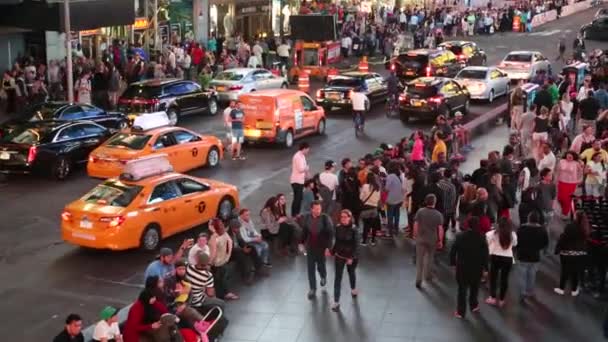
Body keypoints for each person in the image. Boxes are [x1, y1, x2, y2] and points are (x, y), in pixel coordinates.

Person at [450, 217, 489, 318]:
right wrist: (486, 268)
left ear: (468, 225)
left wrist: (453, 264)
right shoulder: (481, 237)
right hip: (477, 267)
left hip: (462, 267)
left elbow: (453, 251)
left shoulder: (460, 236)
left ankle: (460, 312)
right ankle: (474, 305)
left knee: (462, 290)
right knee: (474, 288)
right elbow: (485, 254)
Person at [299, 200, 335, 299]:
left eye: (319, 209)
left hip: (321, 247)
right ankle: (312, 289)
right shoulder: (307, 218)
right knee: (310, 268)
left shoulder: (325, 218)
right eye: (316, 209)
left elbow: (330, 234)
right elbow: (305, 231)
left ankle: (323, 276)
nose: (318, 211)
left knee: (321, 266)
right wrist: (301, 243)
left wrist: (328, 248)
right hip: (310, 247)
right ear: (311, 209)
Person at [517, 211, 549, 302]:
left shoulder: (522, 229)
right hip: (535, 256)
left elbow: (517, 242)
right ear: (538, 220)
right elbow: (545, 243)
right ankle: (529, 291)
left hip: (522, 255)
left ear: (529, 219)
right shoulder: (542, 230)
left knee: (522, 275)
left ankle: (522, 293)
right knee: (532, 274)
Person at [485, 217, 518, 308]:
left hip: (495, 256)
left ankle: (492, 297)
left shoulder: (493, 233)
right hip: (508, 258)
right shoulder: (512, 234)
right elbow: (515, 244)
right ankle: (502, 300)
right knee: (504, 279)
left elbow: (487, 240)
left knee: (493, 278)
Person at [331, 209, 359, 311]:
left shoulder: (354, 229)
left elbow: (356, 245)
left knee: (351, 272)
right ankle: (336, 301)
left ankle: (353, 289)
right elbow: (337, 242)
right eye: (342, 217)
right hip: (339, 256)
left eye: (345, 217)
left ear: (350, 218)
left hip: (351, 256)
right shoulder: (338, 228)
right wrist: (332, 252)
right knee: (337, 278)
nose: (343, 219)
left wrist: (351, 257)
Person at [554, 212, 589, 296]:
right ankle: (574, 290)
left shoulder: (570, 226)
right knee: (575, 272)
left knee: (565, 271)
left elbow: (564, 238)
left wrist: (558, 248)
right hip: (580, 254)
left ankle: (561, 288)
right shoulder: (585, 228)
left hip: (567, 253)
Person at [414, 194, 444, 289]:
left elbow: (416, 224)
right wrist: (440, 240)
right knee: (430, 258)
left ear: (426, 201)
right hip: (432, 239)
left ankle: (418, 279)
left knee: (419, 259)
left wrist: (415, 235)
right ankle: (427, 276)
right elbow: (440, 229)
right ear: (434, 202)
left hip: (421, 238)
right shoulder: (438, 214)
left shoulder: (420, 211)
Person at [208, 218, 239, 301]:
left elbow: (213, 252)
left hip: (216, 263)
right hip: (224, 260)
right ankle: (227, 293)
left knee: (217, 281)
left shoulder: (213, 238)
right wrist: (227, 257)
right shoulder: (224, 233)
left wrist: (209, 263)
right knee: (224, 278)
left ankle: (220, 297)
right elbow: (230, 243)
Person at [555, 151, 584, 216]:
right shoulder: (561, 161)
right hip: (561, 182)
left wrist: (579, 180)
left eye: (571, 156)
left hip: (571, 184)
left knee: (567, 199)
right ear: (566, 155)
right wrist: (556, 180)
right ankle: (564, 208)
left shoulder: (576, 163)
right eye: (568, 155)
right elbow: (557, 171)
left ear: (573, 157)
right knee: (560, 198)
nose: (569, 157)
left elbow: (581, 172)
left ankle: (565, 212)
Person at [360, 172, 381, 246]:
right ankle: (373, 241)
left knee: (366, 226)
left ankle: (364, 241)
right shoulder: (378, 187)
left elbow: (361, 197)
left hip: (366, 208)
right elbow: (378, 198)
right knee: (374, 226)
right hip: (374, 208)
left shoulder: (365, 186)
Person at [290, 142, 310, 216]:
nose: (308, 151)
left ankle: (296, 214)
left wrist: (307, 174)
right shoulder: (297, 156)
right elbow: (300, 169)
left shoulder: (302, 156)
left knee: (298, 198)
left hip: (300, 180)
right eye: (307, 149)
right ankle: (295, 214)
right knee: (297, 199)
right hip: (296, 181)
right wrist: (307, 168)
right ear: (304, 148)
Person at [385, 162, 404, 236]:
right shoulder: (399, 176)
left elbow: (387, 188)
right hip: (399, 199)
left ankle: (390, 231)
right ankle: (396, 229)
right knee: (397, 214)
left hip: (391, 200)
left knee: (390, 216)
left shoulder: (390, 176)